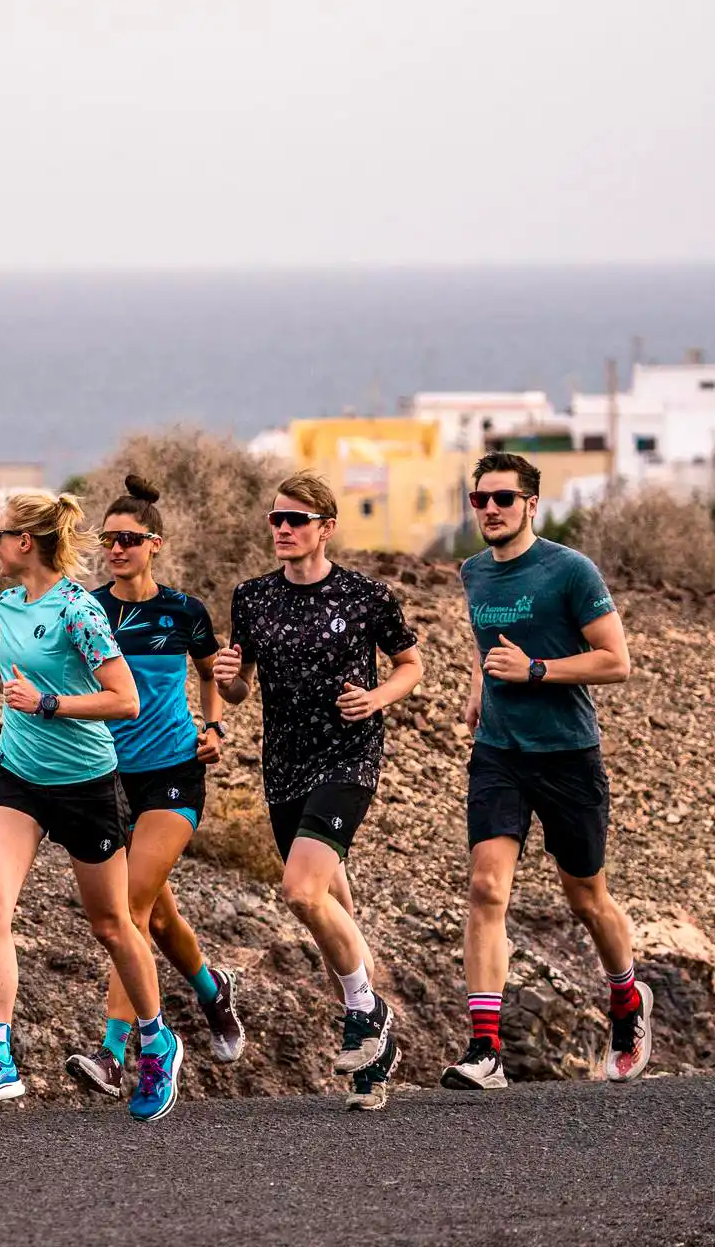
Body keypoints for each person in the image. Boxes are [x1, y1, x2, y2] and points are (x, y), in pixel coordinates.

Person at [0, 491, 186, 1122]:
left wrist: (48, 706)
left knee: (113, 925)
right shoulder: (6, 605)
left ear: (24, 541)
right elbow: (21, 687)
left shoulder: (79, 611)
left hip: (86, 780)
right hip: (19, 778)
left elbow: (124, 699)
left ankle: (155, 1037)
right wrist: (7, 722)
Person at [213, 472, 422, 1110]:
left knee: (300, 892)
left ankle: (367, 1011)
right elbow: (240, 687)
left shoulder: (365, 595)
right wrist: (227, 682)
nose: (282, 529)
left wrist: (378, 697)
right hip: (283, 765)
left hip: (349, 757)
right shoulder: (251, 598)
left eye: (296, 520)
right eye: (276, 519)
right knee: (333, 910)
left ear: (325, 528)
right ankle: (372, 1067)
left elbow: (411, 663)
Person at [443, 452, 648, 1092]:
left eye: (504, 499)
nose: (491, 510)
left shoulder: (570, 570)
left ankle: (626, 1002)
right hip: (500, 754)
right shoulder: (474, 572)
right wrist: (482, 686)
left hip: (567, 753)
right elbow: (488, 647)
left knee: (586, 898)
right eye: (480, 500)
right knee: (485, 889)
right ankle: (485, 1049)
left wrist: (535, 670)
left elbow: (616, 662)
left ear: (532, 503)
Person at [62, 475, 246, 1100]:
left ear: (155, 544)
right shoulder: (87, 611)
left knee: (129, 909)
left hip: (173, 773)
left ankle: (116, 1053)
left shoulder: (183, 611)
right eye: (108, 539)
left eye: (129, 540)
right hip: (107, 778)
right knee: (160, 919)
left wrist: (215, 723)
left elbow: (210, 670)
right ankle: (212, 991)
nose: (116, 549)